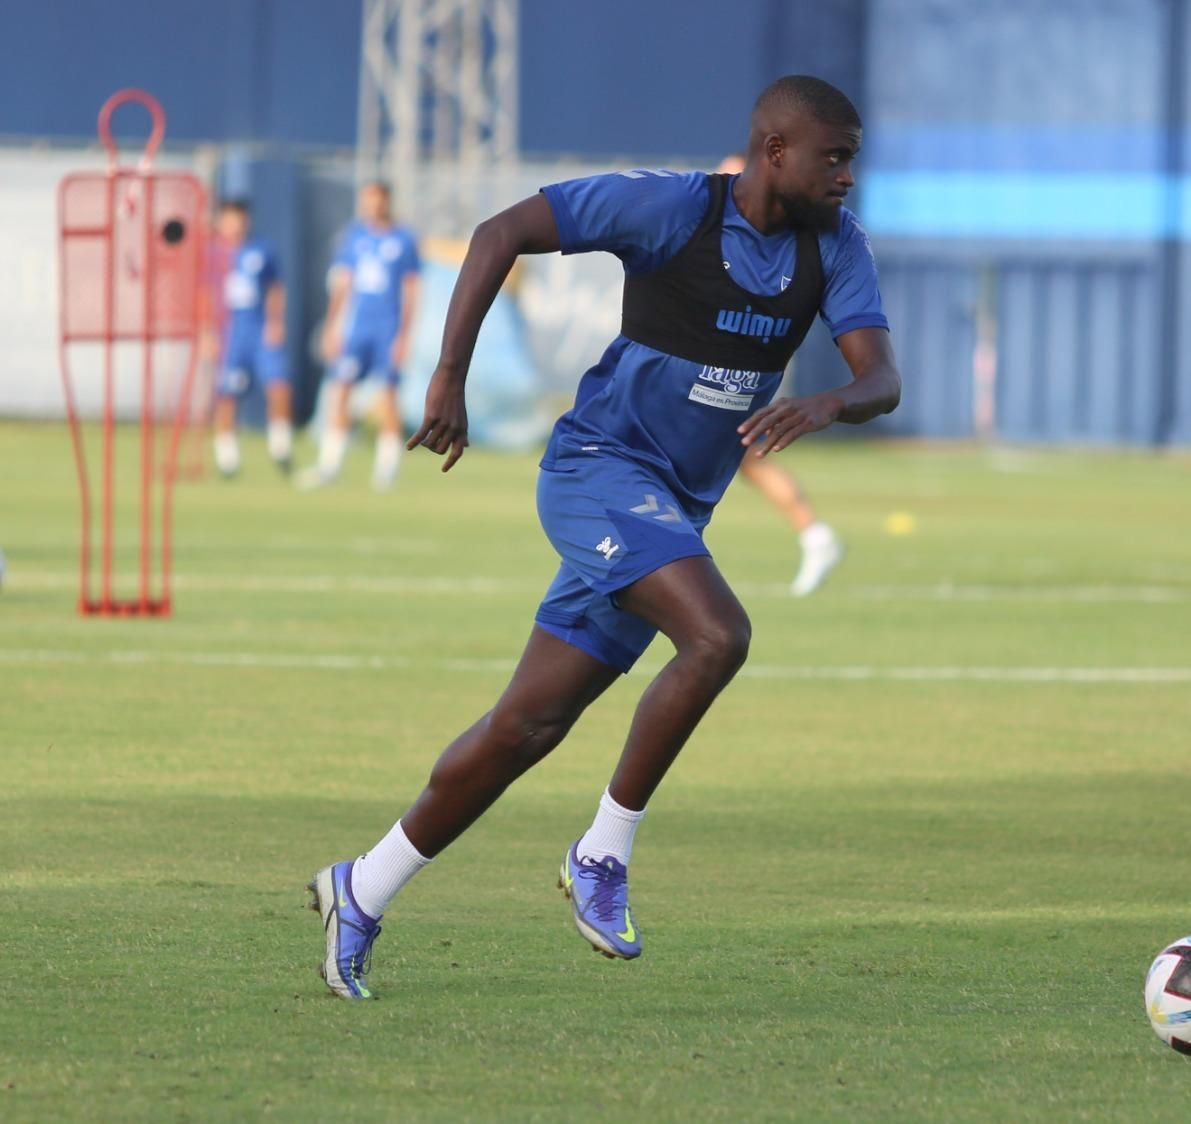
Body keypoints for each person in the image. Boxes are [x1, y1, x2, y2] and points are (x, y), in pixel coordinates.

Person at [307, 75, 900, 999]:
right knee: (718, 636)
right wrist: (447, 379)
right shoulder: (671, 208)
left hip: (670, 510)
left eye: (853, 160)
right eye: (835, 157)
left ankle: (362, 887)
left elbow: (882, 379)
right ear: (775, 151)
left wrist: (826, 401)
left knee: (526, 726)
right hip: (598, 474)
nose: (848, 176)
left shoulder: (836, 248)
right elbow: (499, 232)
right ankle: (602, 851)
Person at [715, 154, 846, 597]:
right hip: (734, 349)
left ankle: (816, 534)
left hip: (735, 356)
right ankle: (815, 535)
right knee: (744, 458)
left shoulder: (748, 192)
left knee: (741, 451)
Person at [302, 181, 421, 491]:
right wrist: (331, 326)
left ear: (387, 201)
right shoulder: (354, 237)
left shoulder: (403, 239)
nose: (373, 206)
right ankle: (329, 466)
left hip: (387, 329)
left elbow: (410, 289)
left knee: (388, 397)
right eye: (368, 200)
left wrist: (404, 334)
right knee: (340, 390)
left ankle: (386, 471)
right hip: (358, 329)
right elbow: (342, 284)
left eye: (378, 200)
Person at [206, 199, 292, 477]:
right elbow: (203, 294)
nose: (236, 225)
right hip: (229, 331)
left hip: (258, 328)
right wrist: (206, 332)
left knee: (278, 386)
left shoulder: (261, 250)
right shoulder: (212, 254)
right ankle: (227, 458)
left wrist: (275, 322)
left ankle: (281, 447)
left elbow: (275, 288)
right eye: (230, 218)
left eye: (240, 218)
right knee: (227, 394)